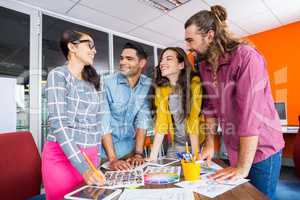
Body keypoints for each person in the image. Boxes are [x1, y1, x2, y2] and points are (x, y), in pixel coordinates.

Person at [184, 5, 285, 199]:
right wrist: (210, 144)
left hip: (263, 149)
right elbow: (211, 108)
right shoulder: (205, 65)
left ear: (210, 36)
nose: (188, 46)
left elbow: (250, 116)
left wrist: (242, 167)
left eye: (191, 40)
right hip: (236, 148)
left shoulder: (246, 57)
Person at [42, 30, 106, 200]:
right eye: (89, 45)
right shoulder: (58, 75)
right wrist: (83, 167)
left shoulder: (93, 82)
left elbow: (97, 124)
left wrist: (96, 162)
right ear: (72, 47)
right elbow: (59, 124)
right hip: (62, 157)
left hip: (90, 157)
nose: (94, 50)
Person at [101, 42, 152, 170]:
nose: (123, 62)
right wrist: (113, 160)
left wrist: (138, 154)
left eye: (129, 59)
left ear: (141, 63)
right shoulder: (106, 83)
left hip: (129, 151)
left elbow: (143, 120)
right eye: (122, 58)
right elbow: (103, 123)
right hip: (105, 155)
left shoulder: (147, 84)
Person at [149, 47, 205, 160]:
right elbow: (161, 121)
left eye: (168, 59)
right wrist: (152, 158)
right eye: (161, 60)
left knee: (195, 174)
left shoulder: (194, 84)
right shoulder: (161, 89)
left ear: (181, 65)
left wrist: (196, 155)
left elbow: (193, 119)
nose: (162, 63)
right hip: (176, 146)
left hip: (197, 144)